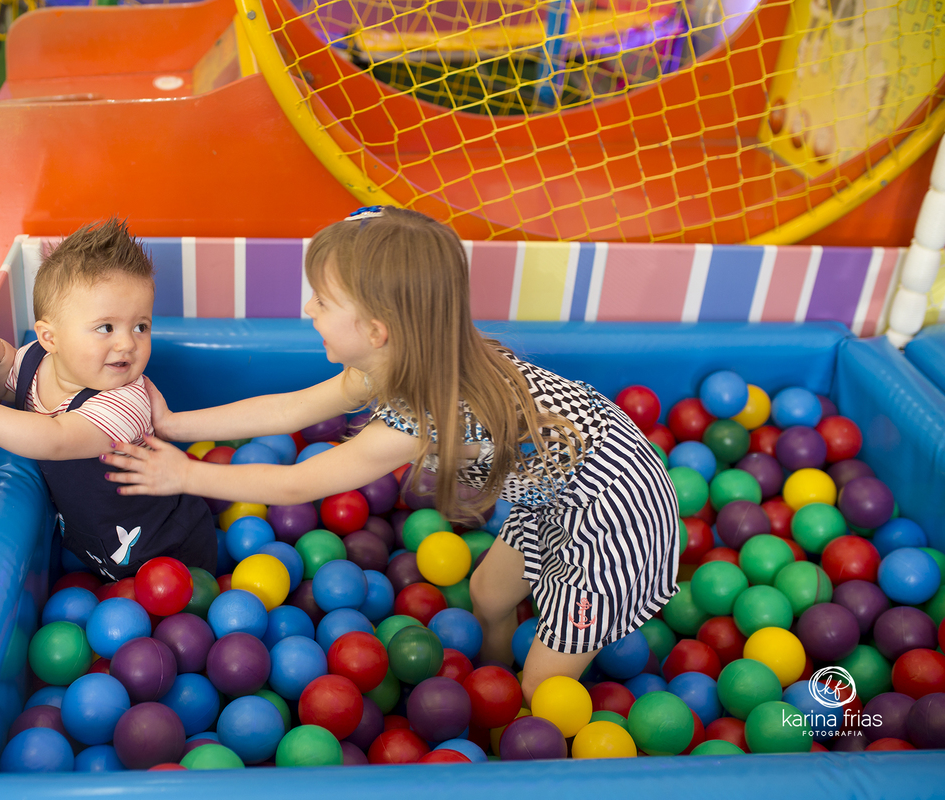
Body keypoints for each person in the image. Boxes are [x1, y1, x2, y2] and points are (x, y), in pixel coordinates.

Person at [100, 206, 679, 701]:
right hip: (555, 494)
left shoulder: (425, 410)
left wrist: (184, 475)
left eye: (322, 302)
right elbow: (286, 411)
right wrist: (174, 424)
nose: (308, 311)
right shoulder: (408, 355)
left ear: (377, 330)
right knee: (485, 594)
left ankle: (520, 740)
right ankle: (493, 677)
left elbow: (301, 485)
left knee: (543, 694)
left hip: (615, 517)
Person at [0, 218, 216, 580]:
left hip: (164, 547)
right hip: (96, 539)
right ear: (50, 338)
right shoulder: (35, 359)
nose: (127, 343)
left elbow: (54, 438)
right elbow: (9, 389)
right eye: (105, 327)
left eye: (140, 326)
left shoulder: (126, 402)